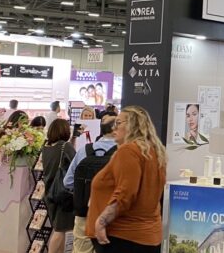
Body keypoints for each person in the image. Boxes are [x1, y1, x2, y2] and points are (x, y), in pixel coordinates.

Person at [86, 106, 167, 253]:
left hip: (122, 236)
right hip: (147, 236)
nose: (114, 127)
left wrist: (102, 221)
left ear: (133, 125)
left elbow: (125, 193)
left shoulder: (128, 151)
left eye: (118, 123)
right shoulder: (155, 152)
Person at [64, 116, 116, 253]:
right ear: (115, 130)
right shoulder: (122, 153)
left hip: (84, 211)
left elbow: (67, 182)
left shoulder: (84, 150)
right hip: (111, 215)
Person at [42, 119, 76, 253]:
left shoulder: (46, 147)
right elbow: (75, 163)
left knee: (58, 228)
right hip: (63, 193)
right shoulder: (65, 146)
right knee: (60, 230)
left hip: (50, 191)